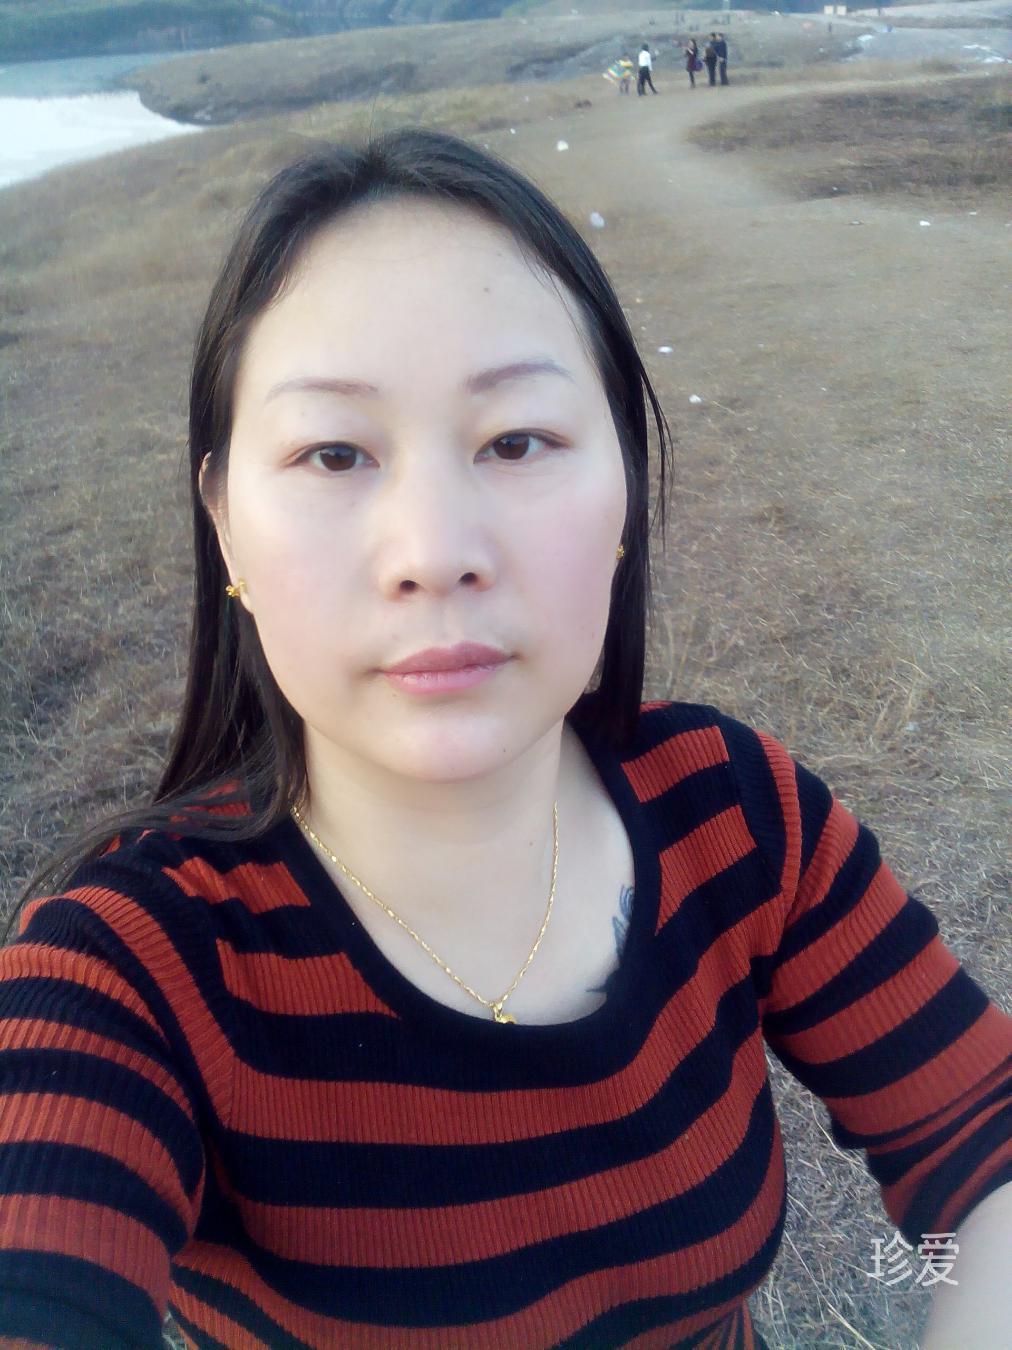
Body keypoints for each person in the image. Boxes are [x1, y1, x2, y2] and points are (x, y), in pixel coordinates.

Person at [1, 129, 1010, 1350]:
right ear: (225, 523)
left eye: (516, 441)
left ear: (624, 487)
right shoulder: (129, 972)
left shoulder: (740, 815)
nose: (435, 552)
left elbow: (981, 1148)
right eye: (333, 453)